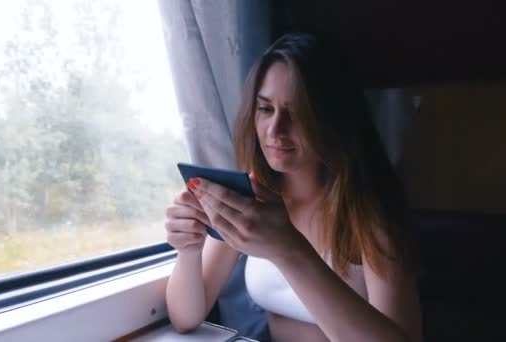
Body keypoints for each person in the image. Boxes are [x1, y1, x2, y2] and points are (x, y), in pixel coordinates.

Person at [165, 32, 422, 342]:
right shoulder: (251, 199)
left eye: (296, 112)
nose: (275, 130)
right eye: (265, 109)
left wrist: (288, 248)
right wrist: (189, 249)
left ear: (330, 117)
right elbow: (186, 317)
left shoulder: (369, 214)